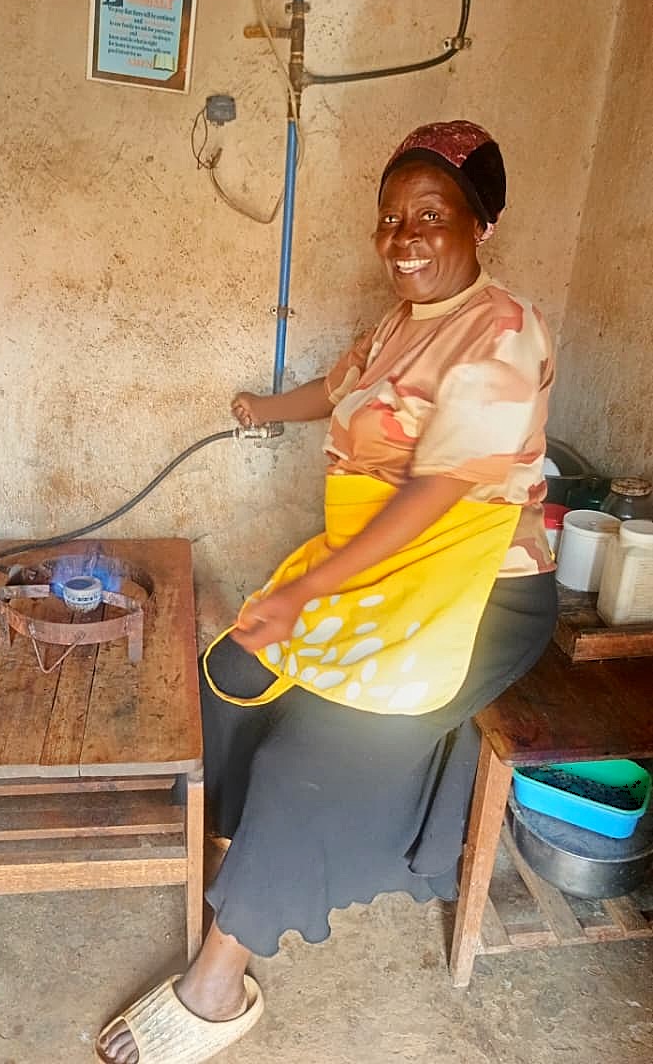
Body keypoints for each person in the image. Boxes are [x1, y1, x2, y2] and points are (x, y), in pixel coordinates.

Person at [96, 119, 558, 1064]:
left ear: (482, 223)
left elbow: (437, 493)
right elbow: (341, 386)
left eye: (429, 214)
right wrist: (262, 409)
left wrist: (308, 593)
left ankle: (220, 977)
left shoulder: (501, 331)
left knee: (325, 752)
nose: (402, 238)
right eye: (389, 218)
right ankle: (236, 849)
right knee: (228, 672)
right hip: (382, 569)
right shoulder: (396, 325)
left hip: (475, 592)